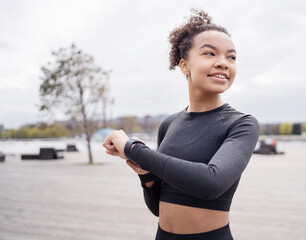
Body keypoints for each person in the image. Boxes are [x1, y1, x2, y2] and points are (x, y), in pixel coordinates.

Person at [103, 9, 260, 240]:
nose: (223, 63)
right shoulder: (169, 124)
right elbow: (159, 208)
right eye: (210, 53)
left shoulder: (242, 124)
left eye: (231, 57)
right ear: (185, 66)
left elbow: (211, 183)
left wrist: (133, 149)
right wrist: (146, 175)